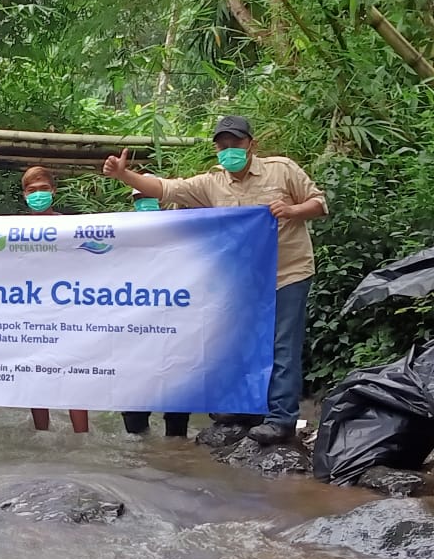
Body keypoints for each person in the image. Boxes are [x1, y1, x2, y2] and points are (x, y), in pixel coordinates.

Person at [102, 115, 328, 445]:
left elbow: (319, 203)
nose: (228, 150)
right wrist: (125, 175)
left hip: (288, 272)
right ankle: (242, 408)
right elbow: (166, 189)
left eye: (235, 143)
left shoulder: (282, 169)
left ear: (251, 144)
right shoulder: (212, 183)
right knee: (239, 345)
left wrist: (294, 212)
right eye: (222, 145)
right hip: (241, 280)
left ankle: (281, 418)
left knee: (281, 346)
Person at [21, 166, 90, 433]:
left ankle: (81, 437)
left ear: (53, 191)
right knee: (35, 375)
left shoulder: (71, 229)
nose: (38, 195)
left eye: (42, 189)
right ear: (24, 194)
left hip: (67, 311)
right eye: (31, 190)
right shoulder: (12, 229)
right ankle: (42, 436)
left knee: (74, 374)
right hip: (29, 313)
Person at [120, 177, 190, 437]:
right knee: (135, 395)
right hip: (135, 327)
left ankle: (176, 448)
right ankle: (142, 454)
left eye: (148, 198)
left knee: (178, 390)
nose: (144, 203)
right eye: (139, 199)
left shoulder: (181, 232)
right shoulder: (121, 233)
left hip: (174, 322)